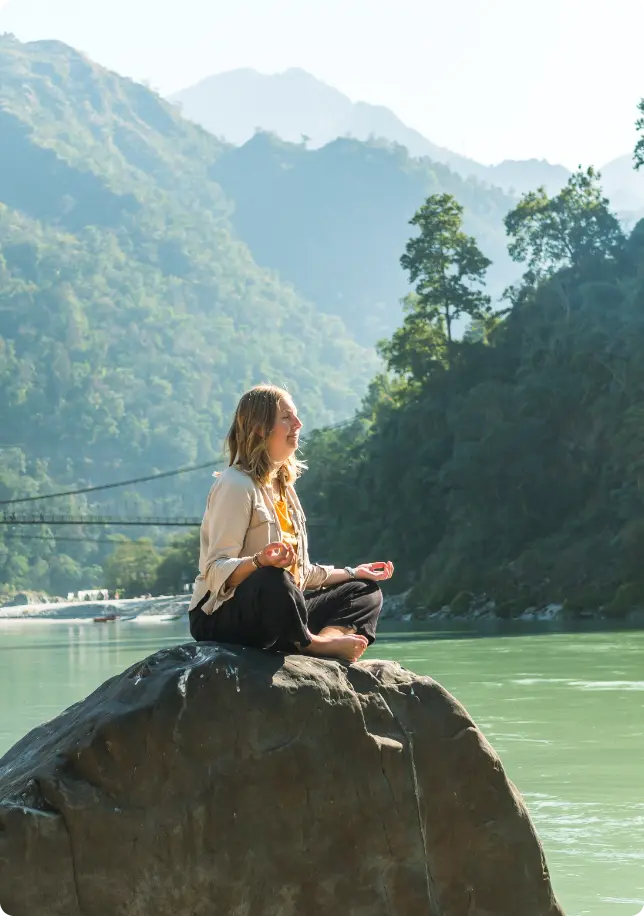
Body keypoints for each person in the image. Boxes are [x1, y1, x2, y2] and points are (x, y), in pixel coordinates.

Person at [189, 384, 394, 662]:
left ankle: (326, 642)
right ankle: (310, 643)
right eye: (286, 417)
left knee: (364, 589)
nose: (298, 424)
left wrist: (353, 572)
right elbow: (215, 572)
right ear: (259, 428)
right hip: (219, 614)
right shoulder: (235, 484)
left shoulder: (284, 488)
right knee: (273, 577)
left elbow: (302, 575)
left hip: (278, 610)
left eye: (295, 416)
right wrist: (259, 561)